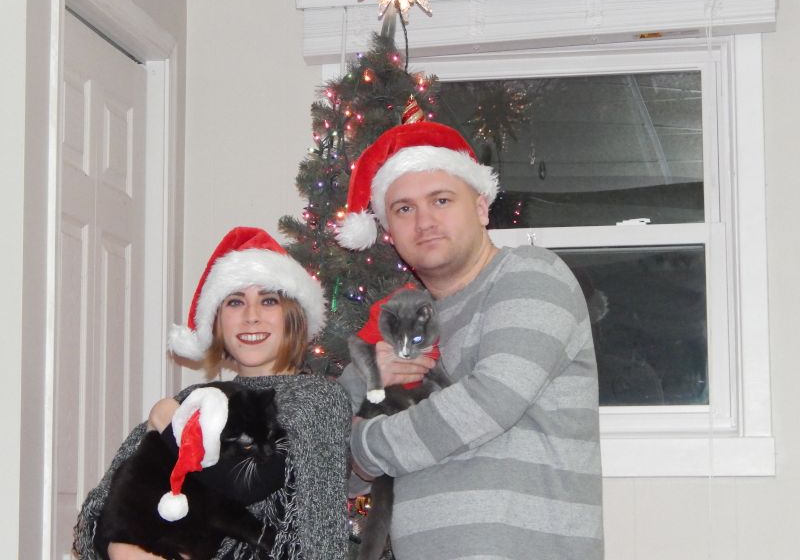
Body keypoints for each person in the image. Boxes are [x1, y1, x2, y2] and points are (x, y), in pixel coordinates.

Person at [335, 122, 604, 560]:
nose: (424, 221)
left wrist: (366, 445)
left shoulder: (529, 275)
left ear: (481, 207)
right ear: (389, 231)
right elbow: (332, 457)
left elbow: (488, 401)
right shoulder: (404, 321)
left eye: (441, 200)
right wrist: (366, 380)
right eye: (403, 209)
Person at [73, 226, 351, 560]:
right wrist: (121, 545)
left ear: (293, 317)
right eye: (235, 302)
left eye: (268, 300)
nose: (251, 317)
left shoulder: (318, 400)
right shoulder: (198, 397)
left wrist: (170, 425)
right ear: (217, 322)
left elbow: (248, 487)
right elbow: (104, 507)